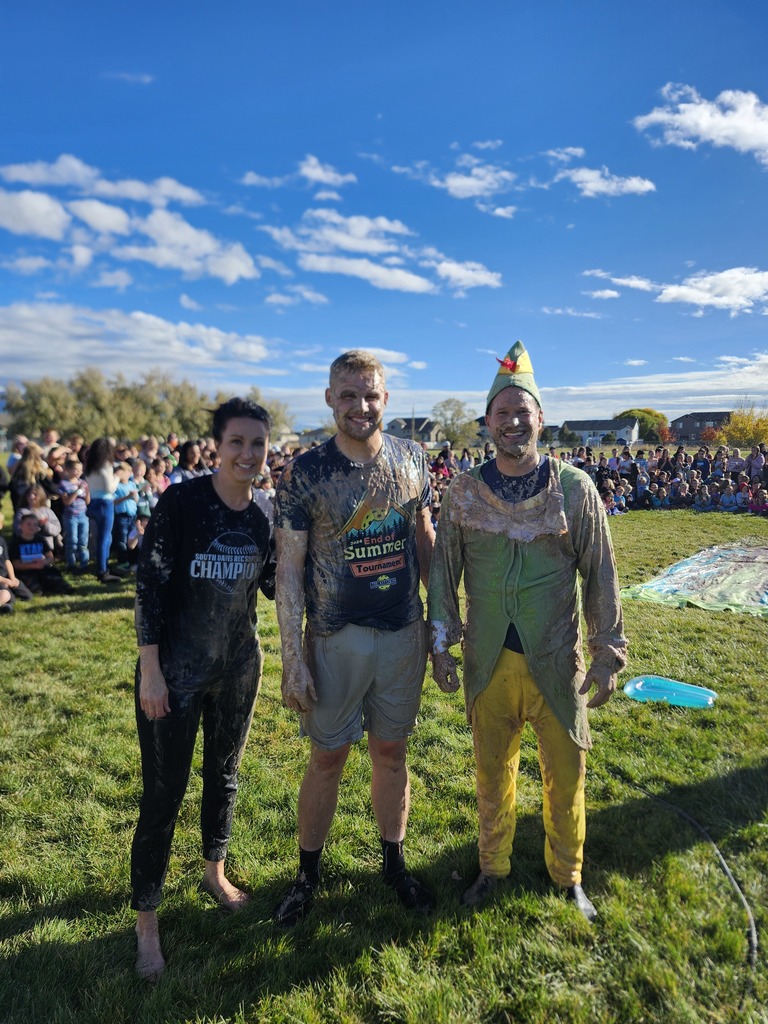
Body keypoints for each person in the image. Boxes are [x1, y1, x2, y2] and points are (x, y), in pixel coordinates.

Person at [428, 342, 627, 922]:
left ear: (541, 418)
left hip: (557, 662)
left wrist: (608, 651)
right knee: (492, 776)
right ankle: (493, 869)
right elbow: (442, 574)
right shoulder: (464, 492)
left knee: (566, 776)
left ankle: (568, 876)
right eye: (502, 413)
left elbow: (602, 575)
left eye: (524, 412)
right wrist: (441, 644)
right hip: (489, 663)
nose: (514, 422)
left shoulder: (574, 490)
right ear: (487, 423)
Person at [273, 350, 435, 926]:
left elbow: (425, 546)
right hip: (334, 638)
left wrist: (438, 627)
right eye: (348, 395)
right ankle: (307, 874)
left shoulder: (414, 459)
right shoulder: (305, 473)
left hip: (401, 634)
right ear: (329, 399)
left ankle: (393, 863)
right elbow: (288, 571)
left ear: (385, 399)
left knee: (392, 752)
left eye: (370, 395)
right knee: (327, 757)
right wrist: (293, 660)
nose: (360, 406)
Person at [131, 397, 276, 982]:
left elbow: (270, 585)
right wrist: (151, 670)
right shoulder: (183, 502)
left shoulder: (265, 510)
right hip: (176, 673)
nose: (248, 454)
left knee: (224, 775)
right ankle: (146, 923)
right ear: (217, 445)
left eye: (258, 443)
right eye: (237, 442)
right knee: (162, 795)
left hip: (238, 667)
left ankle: (214, 870)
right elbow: (149, 587)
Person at [84, 438, 122, 584]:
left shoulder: (89, 466)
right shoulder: (105, 465)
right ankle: (102, 571)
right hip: (105, 503)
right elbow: (110, 488)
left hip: (94, 501)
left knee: (102, 538)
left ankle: (103, 567)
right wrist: (117, 477)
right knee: (104, 539)